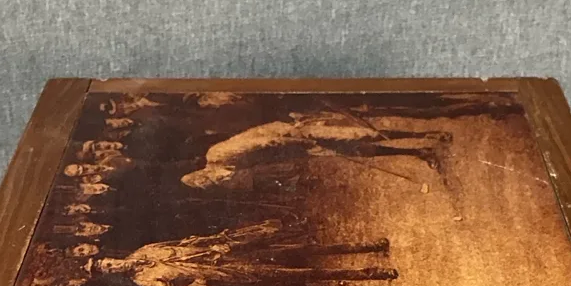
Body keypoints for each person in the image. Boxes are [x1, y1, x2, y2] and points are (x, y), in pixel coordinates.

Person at [85, 219, 396, 286]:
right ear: (114, 276)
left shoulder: (146, 250)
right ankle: (369, 273)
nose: (114, 265)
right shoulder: (145, 282)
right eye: (109, 269)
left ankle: (366, 246)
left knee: (300, 248)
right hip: (229, 270)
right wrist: (201, 283)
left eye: (109, 261)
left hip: (229, 249)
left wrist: (212, 241)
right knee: (298, 271)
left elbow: (184, 243)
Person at [181, 111, 451, 188]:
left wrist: (301, 142)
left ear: (203, 174)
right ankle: (420, 153)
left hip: (292, 134)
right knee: (359, 152)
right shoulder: (227, 171)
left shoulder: (218, 155)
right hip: (299, 148)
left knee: (360, 134)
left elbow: (263, 142)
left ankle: (425, 135)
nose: (215, 183)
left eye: (208, 182)